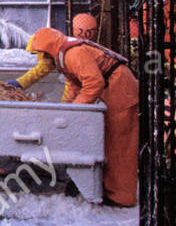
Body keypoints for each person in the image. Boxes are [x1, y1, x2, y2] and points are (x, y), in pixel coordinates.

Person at [9, 28, 140, 206]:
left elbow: (94, 83)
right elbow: (73, 85)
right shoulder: (64, 55)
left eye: (41, 54)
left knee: (119, 144)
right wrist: (65, 110)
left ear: (48, 49)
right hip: (113, 87)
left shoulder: (74, 54)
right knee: (107, 142)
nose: (42, 58)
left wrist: (76, 111)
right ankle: (107, 186)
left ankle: (122, 197)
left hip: (120, 90)